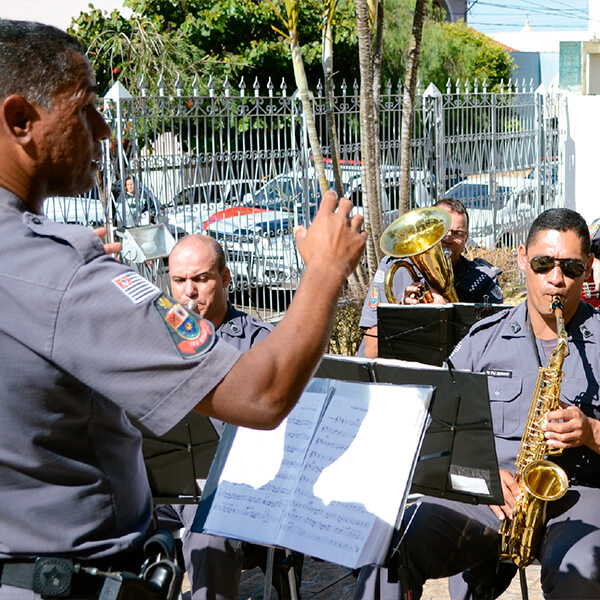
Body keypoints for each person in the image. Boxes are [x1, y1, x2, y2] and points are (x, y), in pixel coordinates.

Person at [0, 20, 366, 599]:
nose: (105, 131)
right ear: (20, 120)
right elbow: (261, 393)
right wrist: (324, 272)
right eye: (86, 109)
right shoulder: (63, 275)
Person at [354, 207, 600, 600]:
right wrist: (475, 477)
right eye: (543, 264)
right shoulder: (484, 339)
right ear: (522, 259)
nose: (556, 280)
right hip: (487, 496)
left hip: (578, 497)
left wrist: (591, 431)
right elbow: (434, 430)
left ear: (587, 268)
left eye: (570, 268)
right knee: (388, 547)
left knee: (585, 569)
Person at [158, 234, 303, 600]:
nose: (188, 292)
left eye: (201, 279)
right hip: (163, 485)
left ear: (224, 278)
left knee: (208, 532)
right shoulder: (152, 338)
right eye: (179, 281)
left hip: (235, 489)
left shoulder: (260, 344)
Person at [357, 198, 504, 358]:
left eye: (457, 233)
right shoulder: (396, 270)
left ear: (465, 239)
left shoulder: (482, 279)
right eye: (442, 230)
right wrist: (402, 313)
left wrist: (446, 313)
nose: (448, 239)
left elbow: (493, 345)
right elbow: (370, 348)